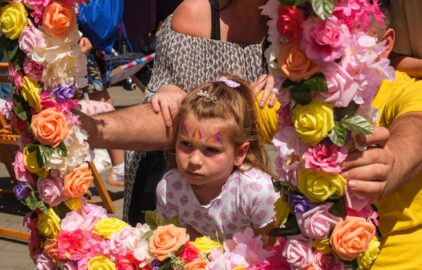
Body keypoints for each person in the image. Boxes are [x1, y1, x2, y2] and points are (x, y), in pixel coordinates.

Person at [122, 0, 277, 225]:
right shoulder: (194, 13)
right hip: (175, 173)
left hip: (238, 185)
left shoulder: (293, 29)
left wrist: (286, 84)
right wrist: (168, 88)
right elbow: (161, 99)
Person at [340, 3, 422, 268]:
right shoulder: (300, 94)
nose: (338, 53)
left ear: (385, 44)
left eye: (353, 40)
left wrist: (390, 163)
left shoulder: (406, 90)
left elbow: (416, 129)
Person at [156, 75, 279, 243]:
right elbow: (174, 245)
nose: (194, 160)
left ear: (239, 153)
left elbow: (269, 250)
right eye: (186, 144)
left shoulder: (257, 192)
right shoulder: (170, 188)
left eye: (211, 150)